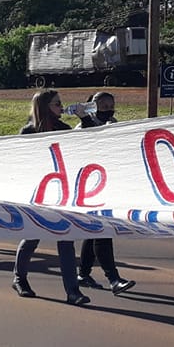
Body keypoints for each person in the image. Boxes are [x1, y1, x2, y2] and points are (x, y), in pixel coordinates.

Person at [12, 89, 89, 306]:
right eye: (57, 103)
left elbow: (91, 143)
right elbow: (21, 162)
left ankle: (73, 291)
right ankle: (20, 279)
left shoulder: (64, 129)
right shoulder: (28, 132)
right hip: (37, 193)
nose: (61, 106)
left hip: (60, 193)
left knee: (66, 240)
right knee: (32, 237)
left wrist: (84, 118)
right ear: (45, 106)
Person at [72, 92, 137, 295]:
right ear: (93, 106)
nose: (109, 108)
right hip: (88, 189)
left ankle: (83, 273)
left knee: (93, 233)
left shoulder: (114, 125)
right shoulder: (83, 126)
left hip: (107, 186)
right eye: (104, 105)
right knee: (103, 231)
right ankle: (113, 278)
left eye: (111, 104)